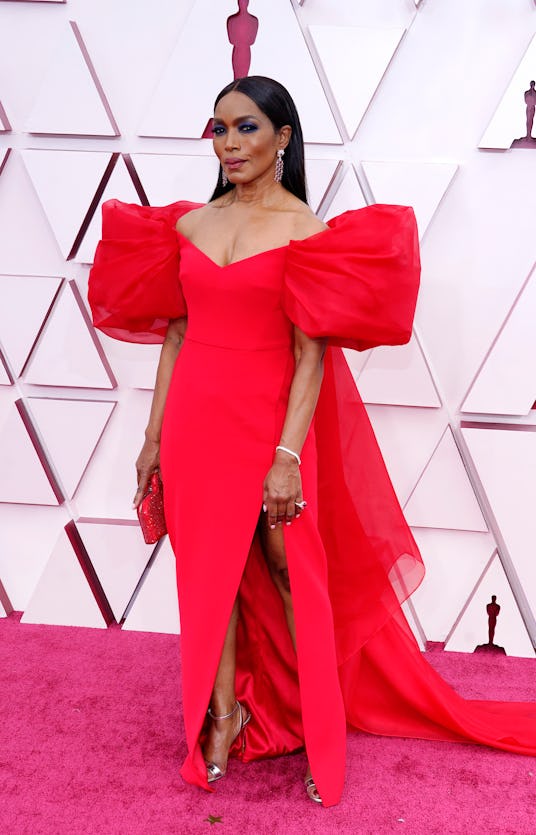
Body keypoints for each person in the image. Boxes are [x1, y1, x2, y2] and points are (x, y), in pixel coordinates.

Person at [89, 76, 536, 809]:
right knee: (213, 572)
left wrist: (287, 456)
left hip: (268, 422)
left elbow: (310, 355)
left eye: (247, 129)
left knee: (291, 569)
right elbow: (174, 335)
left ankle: (318, 721)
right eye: (220, 130)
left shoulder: (307, 232)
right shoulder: (193, 225)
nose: (230, 144)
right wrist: (150, 438)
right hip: (196, 421)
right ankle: (225, 715)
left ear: (284, 138)